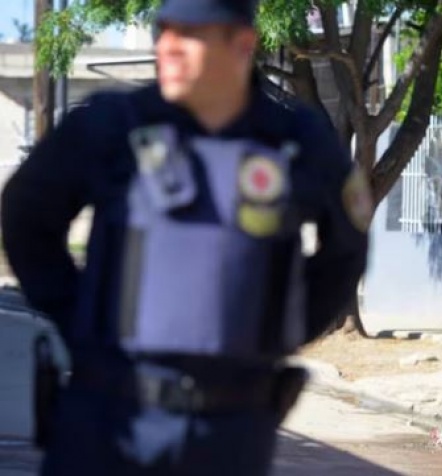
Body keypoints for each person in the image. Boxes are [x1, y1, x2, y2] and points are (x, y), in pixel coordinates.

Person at [0, 0, 370, 474]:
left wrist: (278, 332)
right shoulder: (111, 125)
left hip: (230, 429)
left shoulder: (295, 140)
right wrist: (80, 318)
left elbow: (346, 250)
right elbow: (27, 215)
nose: (168, 48)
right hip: (106, 418)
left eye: (189, 33)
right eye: (164, 31)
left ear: (242, 44)